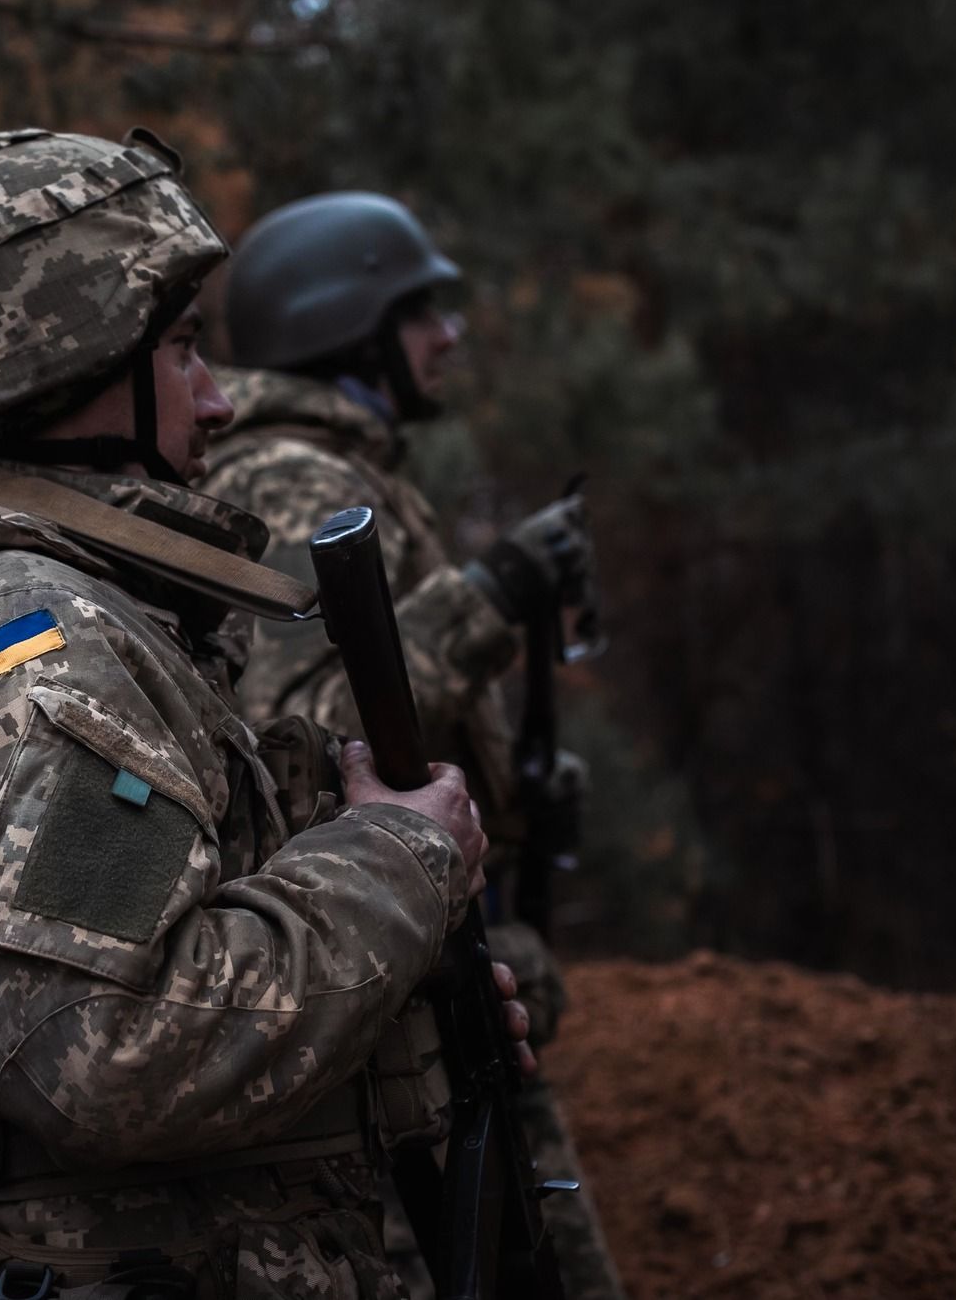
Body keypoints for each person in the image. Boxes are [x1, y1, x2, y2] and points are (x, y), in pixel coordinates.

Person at [0, 129, 529, 1299]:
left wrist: (399, 1005)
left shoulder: (82, 619)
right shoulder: (17, 645)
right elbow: (110, 1050)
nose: (215, 404)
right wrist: (396, 864)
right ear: (58, 367)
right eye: (177, 351)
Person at [201, 191, 624, 1300]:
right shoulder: (293, 477)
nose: (448, 336)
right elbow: (317, 724)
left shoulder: (347, 470)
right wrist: (493, 595)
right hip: (370, 1000)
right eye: (419, 310)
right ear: (347, 327)